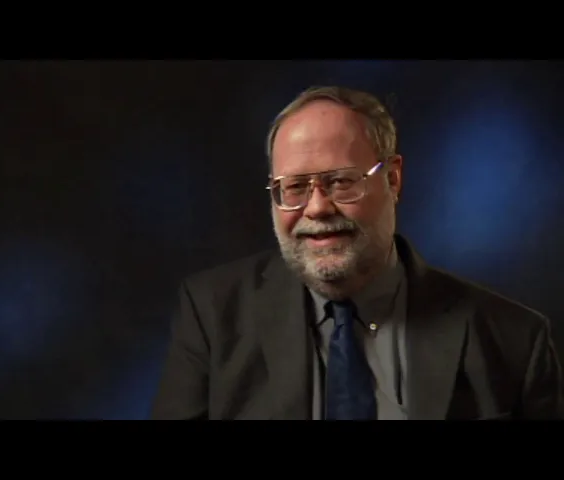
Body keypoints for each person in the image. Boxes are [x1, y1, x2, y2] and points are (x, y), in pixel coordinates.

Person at [150, 85, 564, 420]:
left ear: (393, 179)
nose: (317, 208)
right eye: (294, 188)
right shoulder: (212, 315)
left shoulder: (515, 341)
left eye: (341, 181)